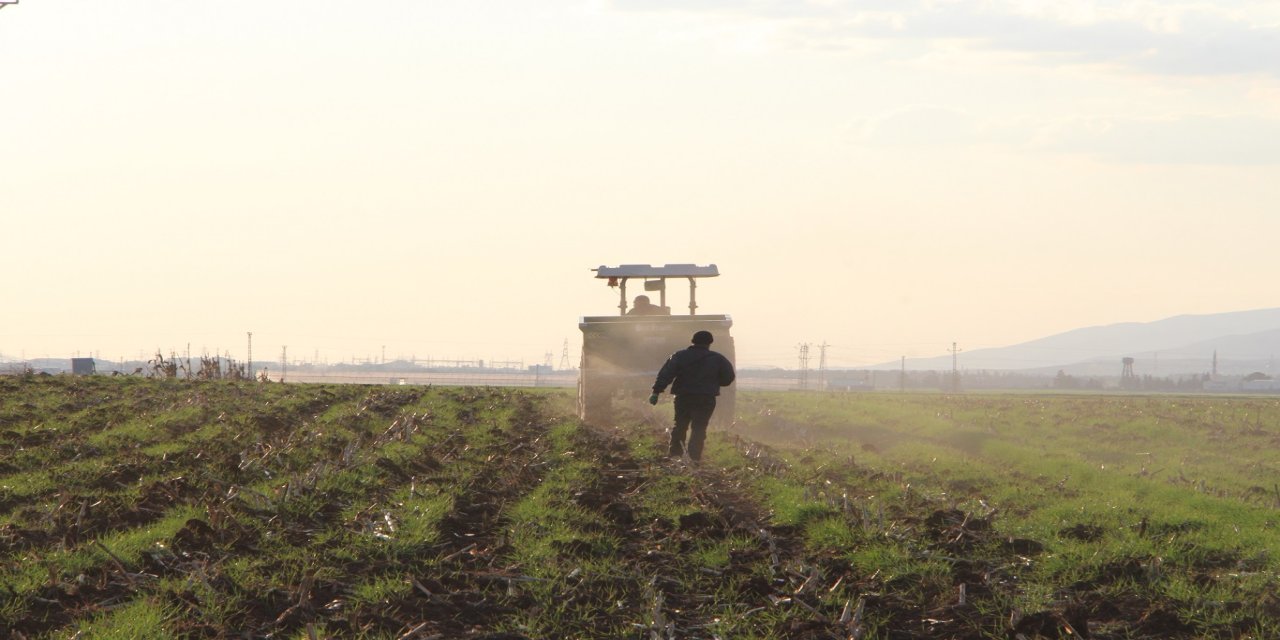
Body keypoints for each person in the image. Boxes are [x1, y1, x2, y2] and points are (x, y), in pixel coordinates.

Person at [648, 330, 735, 462]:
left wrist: (656, 391)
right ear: (710, 342)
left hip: (683, 397)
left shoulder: (679, 356)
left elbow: (666, 374)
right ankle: (694, 458)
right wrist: (714, 383)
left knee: (680, 425)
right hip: (706, 398)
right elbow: (728, 378)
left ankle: (675, 455)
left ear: (692, 341)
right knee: (699, 428)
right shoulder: (718, 359)